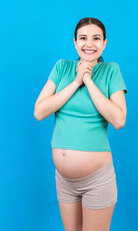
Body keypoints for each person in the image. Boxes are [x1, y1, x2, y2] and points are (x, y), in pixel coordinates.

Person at [34, 17, 128, 231]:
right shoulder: (62, 68)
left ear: (104, 43)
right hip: (65, 181)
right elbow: (39, 112)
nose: (89, 44)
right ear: (75, 42)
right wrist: (76, 81)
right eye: (83, 38)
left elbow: (118, 119)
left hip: (97, 180)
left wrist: (88, 81)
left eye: (96, 38)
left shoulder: (111, 71)